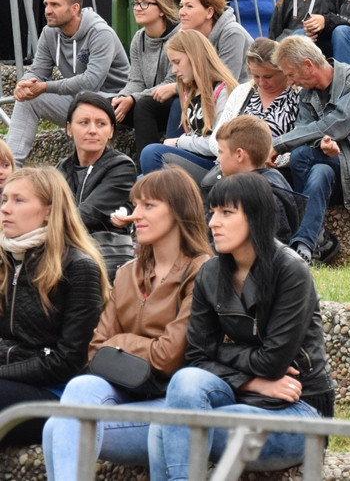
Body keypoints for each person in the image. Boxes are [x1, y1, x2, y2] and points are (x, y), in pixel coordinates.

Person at [148, 173, 335, 479]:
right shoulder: (210, 272)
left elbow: (273, 362)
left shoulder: (290, 271)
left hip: (298, 407)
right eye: (212, 212)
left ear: (256, 217)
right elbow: (196, 357)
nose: (212, 223)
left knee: (170, 427)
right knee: (182, 390)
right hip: (246, 395)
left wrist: (222, 352)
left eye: (226, 213)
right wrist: (252, 382)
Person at [41, 167, 212, 479]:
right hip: (124, 389)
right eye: (135, 205)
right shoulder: (127, 273)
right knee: (79, 389)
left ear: (178, 211)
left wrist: (120, 344)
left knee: (57, 427)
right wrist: (138, 346)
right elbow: (95, 351)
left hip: (171, 403)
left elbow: (169, 356)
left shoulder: (202, 273)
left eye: (149, 206)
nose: (136, 215)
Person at [0, 167, 108, 445]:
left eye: (18, 200)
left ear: (49, 210)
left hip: (56, 393)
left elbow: (68, 361)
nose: (6, 209)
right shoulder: (5, 261)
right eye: (4, 200)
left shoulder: (78, 267)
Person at [270, 36, 350, 264]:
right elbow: (306, 131)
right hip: (335, 170)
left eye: (291, 74)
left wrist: (277, 145)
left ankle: (306, 237)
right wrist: (321, 145)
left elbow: (335, 125)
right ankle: (309, 245)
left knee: (301, 156)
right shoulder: (307, 95)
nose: (290, 82)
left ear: (308, 66)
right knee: (320, 171)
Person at [7, 0, 129, 167]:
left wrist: (44, 87)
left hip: (113, 105)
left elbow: (91, 83)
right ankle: (10, 169)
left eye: (55, 5)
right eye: (46, 4)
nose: (48, 10)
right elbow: (38, 70)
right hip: (78, 102)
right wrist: (24, 84)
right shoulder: (49, 33)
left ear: (74, 9)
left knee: (84, 97)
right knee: (29, 99)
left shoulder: (101, 33)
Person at [56, 92, 137, 278]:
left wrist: (47, 228)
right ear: (69, 128)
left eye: (101, 124)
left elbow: (89, 214)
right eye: (84, 122)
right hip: (65, 255)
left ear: (111, 131)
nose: (92, 130)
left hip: (105, 260)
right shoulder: (62, 168)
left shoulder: (121, 166)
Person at [139, 29, 237, 177]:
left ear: (195, 58)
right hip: (193, 158)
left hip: (216, 166)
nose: (174, 70)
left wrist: (179, 142)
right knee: (138, 182)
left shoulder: (223, 91)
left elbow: (217, 144)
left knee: (151, 153)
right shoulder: (188, 92)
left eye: (177, 62)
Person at [112, 0, 182, 154]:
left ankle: (148, 173)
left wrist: (133, 99)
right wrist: (123, 97)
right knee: (104, 106)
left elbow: (171, 81)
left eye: (144, 3)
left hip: (173, 102)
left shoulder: (180, 36)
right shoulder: (138, 38)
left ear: (161, 8)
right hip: (145, 97)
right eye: (135, 3)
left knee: (144, 106)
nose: (137, 8)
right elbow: (135, 80)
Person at [214, 116, 304, 245]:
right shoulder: (268, 182)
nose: (218, 159)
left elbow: (270, 248)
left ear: (239, 155)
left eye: (221, 152)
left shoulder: (261, 196)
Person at [177, 0, 253, 83]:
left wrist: (175, 89)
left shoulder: (232, 33)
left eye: (189, 6)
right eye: (181, 6)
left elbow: (225, 82)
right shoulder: (188, 34)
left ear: (209, 12)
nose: (181, 12)